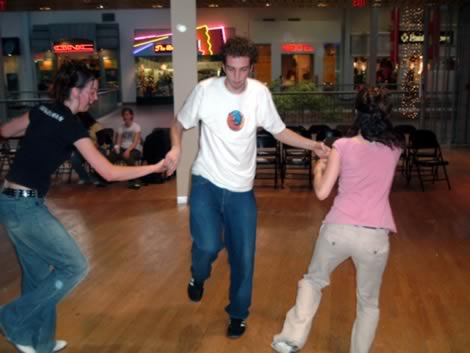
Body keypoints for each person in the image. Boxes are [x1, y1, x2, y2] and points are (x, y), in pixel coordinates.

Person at [165, 36, 329, 339]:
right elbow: (177, 124)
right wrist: (176, 149)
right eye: (230, 70)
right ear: (223, 67)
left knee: (244, 257)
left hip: (242, 190)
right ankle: (198, 275)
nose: (237, 77)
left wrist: (313, 145)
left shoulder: (259, 93)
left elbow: (279, 131)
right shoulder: (205, 91)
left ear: (251, 67)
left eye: (243, 70)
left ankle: (238, 313)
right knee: (208, 246)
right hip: (206, 182)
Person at [0, 61, 166, 353]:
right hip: (25, 208)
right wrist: (154, 166)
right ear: (75, 91)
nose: (94, 95)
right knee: (74, 266)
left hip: (13, 201)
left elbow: (5, 129)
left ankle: (40, 342)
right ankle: (10, 318)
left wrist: (38, 135)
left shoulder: (42, 111)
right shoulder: (69, 124)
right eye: (91, 90)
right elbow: (110, 173)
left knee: (38, 278)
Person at [271, 108, 403, 353]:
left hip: (338, 230)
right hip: (375, 236)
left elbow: (322, 192)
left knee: (313, 281)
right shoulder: (395, 148)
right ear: (386, 116)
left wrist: (318, 170)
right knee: (368, 303)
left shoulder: (342, 145)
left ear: (357, 113)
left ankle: (291, 338)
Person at [108, 107, 143, 189]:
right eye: (124, 115)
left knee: (129, 158)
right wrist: (116, 148)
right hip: (123, 148)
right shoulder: (120, 127)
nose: (125, 117)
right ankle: (110, 177)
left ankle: (134, 180)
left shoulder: (136, 127)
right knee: (110, 157)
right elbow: (118, 141)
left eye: (127, 114)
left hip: (134, 149)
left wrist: (128, 150)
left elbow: (135, 143)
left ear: (131, 115)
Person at [70, 112, 103, 185]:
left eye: (78, 119)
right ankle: (84, 177)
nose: (77, 121)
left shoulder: (96, 126)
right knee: (74, 160)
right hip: (83, 150)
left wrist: (92, 150)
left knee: (94, 160)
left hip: (96, 149)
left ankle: (97, 178)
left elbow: (101, 141)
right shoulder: (79, 128)